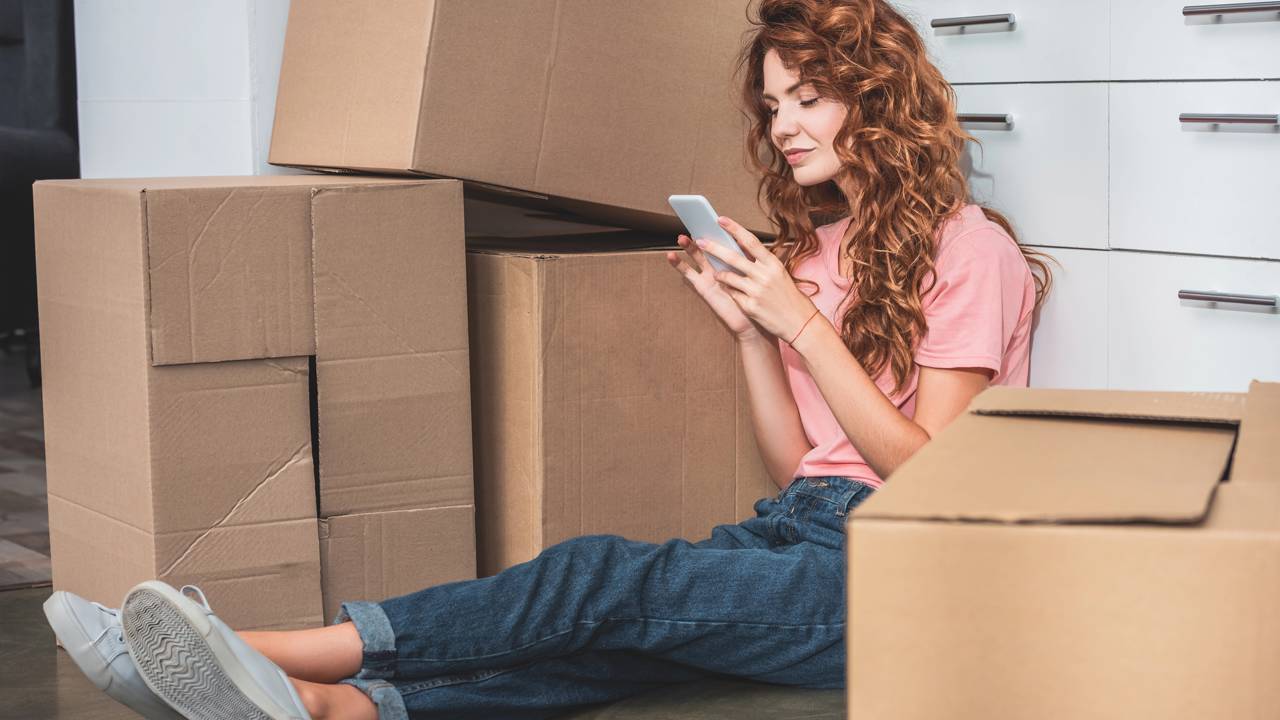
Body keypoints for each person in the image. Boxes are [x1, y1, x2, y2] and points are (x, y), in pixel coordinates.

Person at [45, 1, 1053, 718]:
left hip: (897, 569)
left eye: (804, 99)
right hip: (798, 532)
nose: (781, 126)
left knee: (608, 579)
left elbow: (930, 478)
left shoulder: (970, 250)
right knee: (616, 642)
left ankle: (249, 650)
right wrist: (754, 335)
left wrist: (798, 327)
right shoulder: (814, 256)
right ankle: (334, 709)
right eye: (772, 106)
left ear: (873, 98)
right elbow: (803, 473)